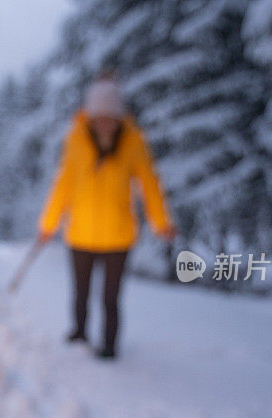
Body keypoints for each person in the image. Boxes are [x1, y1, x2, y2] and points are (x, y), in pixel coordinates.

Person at [37, 76, 176, 359]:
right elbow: (63, 184)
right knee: (81, 292)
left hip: (118, 234)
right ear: (90, 116)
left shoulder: (134, 142)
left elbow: (149, 184)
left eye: (110, 118)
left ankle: (110, 345)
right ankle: (79, 331)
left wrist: (161, 222)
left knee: (110, 297)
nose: (105, 124)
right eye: (98, 118)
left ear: (118, 117)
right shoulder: (76, 140)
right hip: (80, 233)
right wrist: (48, 225)